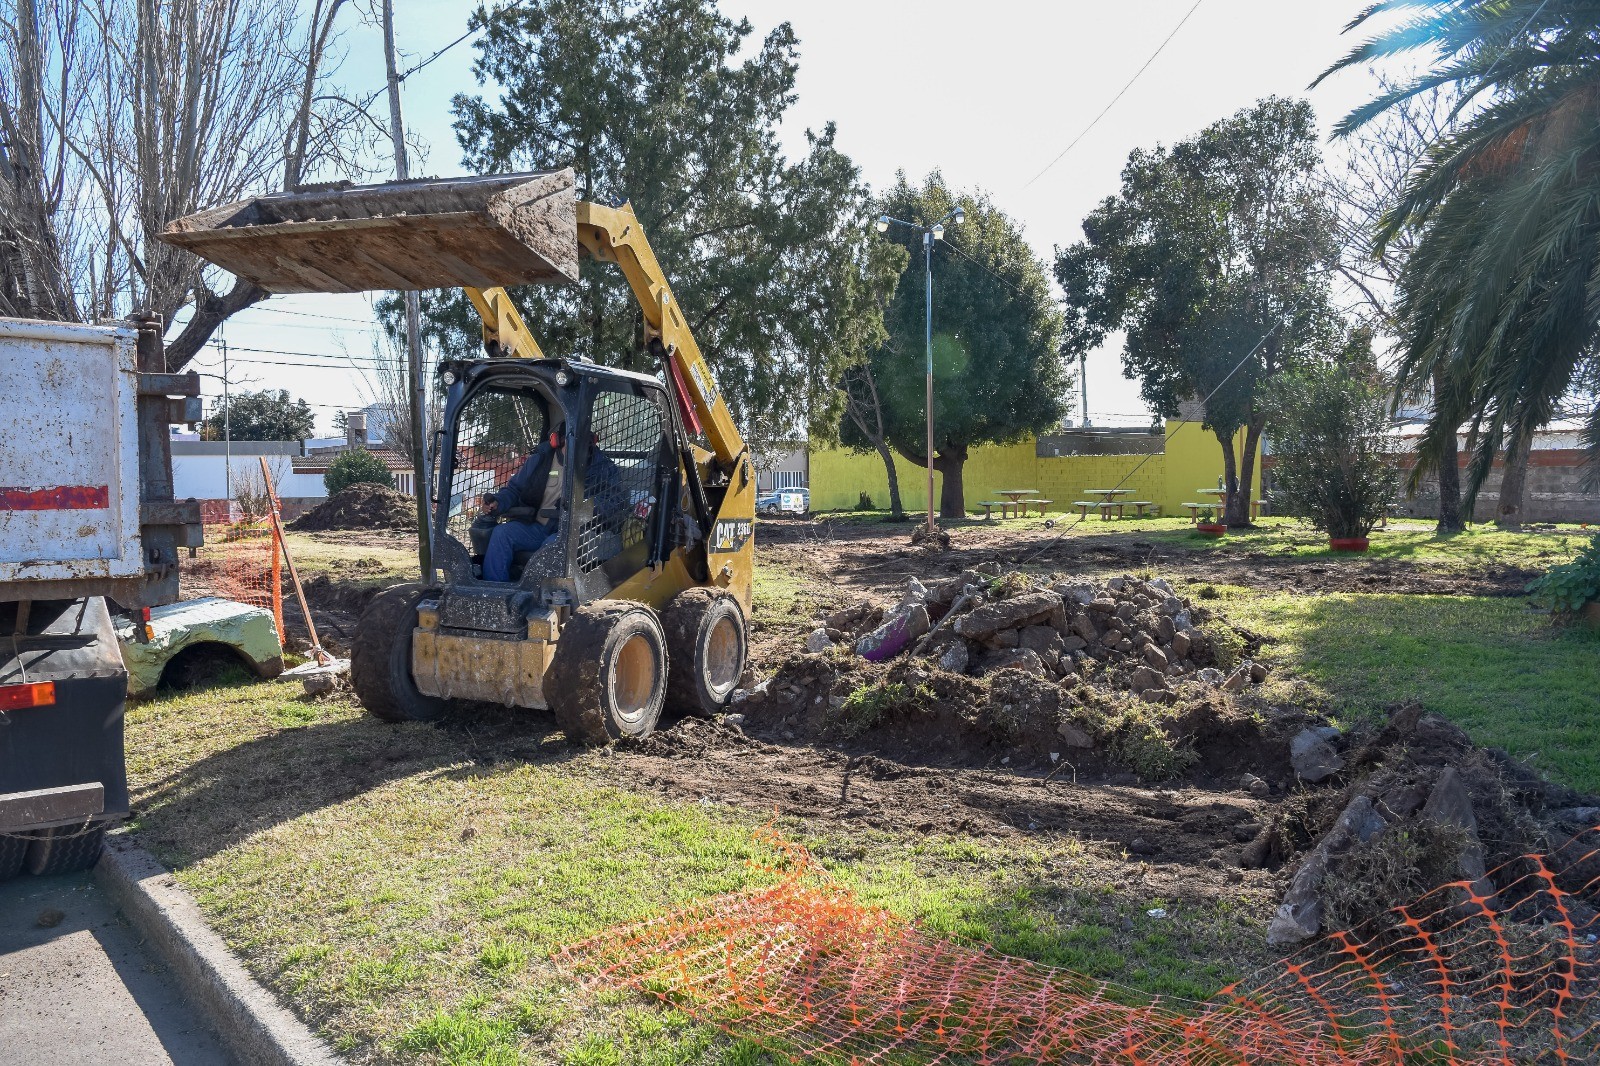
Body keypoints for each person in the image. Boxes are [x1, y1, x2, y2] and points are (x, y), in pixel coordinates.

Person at [481, 426, 567, 582]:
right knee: (502, 533)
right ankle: (495, 590)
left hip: (569, 534)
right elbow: (514, 490)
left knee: (551, 547)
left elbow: (609, 500)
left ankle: (536, 592)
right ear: (558, 440)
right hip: (537, 528)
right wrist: (498, 502)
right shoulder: (540, 461)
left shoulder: (599, 467)